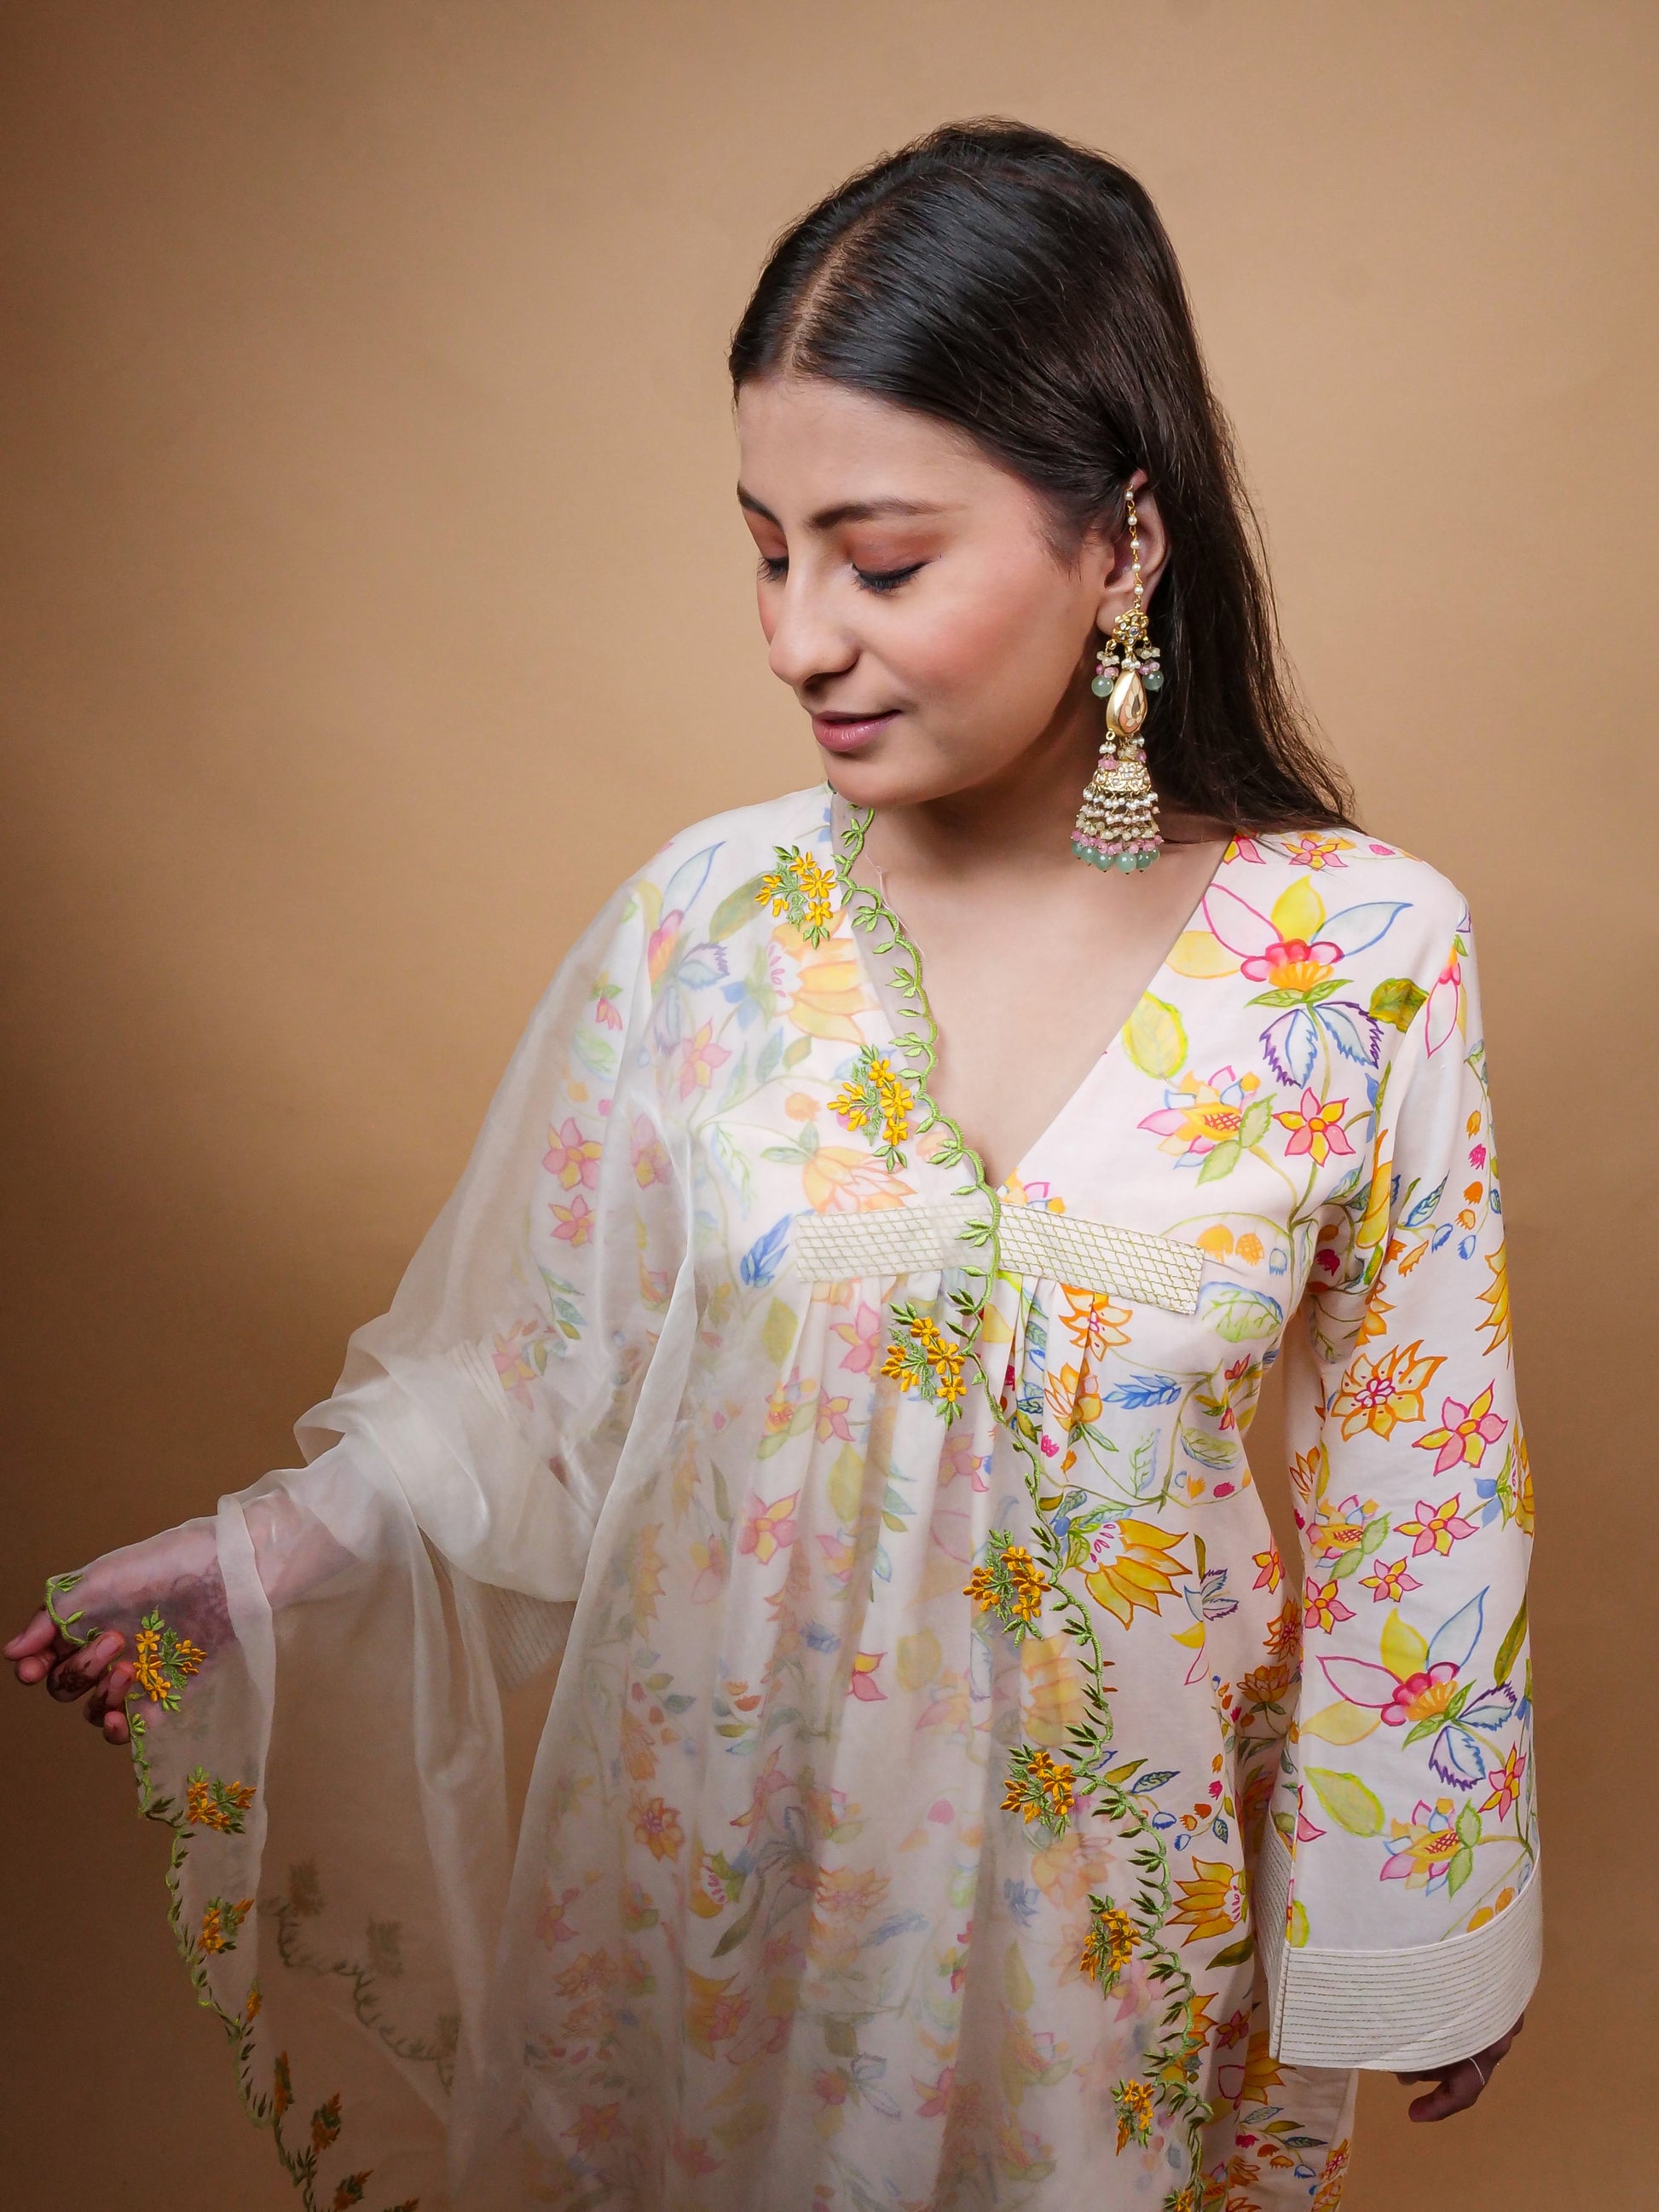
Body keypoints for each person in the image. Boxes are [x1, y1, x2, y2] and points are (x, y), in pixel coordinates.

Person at [7, 120, 1535, 2212]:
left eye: (879, 561)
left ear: (1122, 542)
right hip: (720, 1911)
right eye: (765, 550)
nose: (799, 635)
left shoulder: (1358, 954)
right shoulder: (709, 927)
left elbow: (1418, 1483)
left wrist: (1421, 1920)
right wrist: (265, 1557)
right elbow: (543, 1376)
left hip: (1124, 1937)